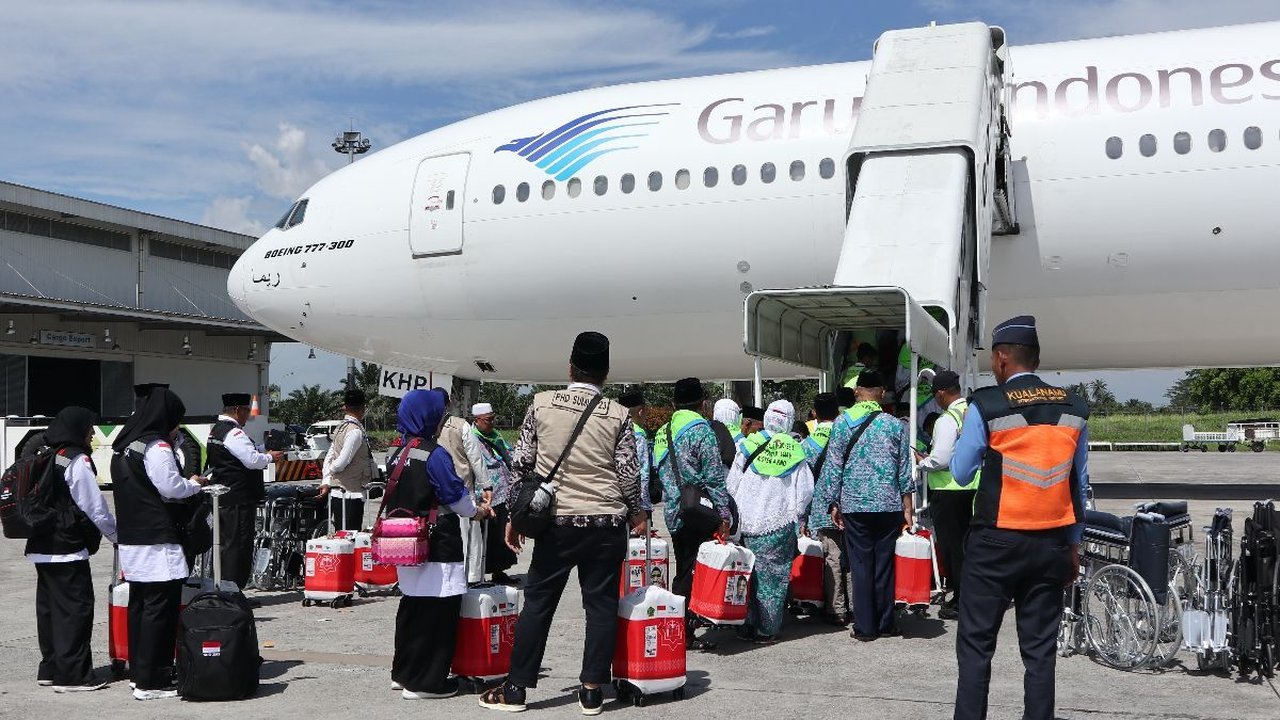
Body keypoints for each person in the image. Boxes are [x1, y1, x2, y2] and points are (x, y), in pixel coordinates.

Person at [479, 332, 646, 716]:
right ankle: (591, 692)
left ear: (570, 368)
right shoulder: (618, 414)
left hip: (556, 524)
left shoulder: (541, 404)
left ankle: (516, 689)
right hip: (606, 524)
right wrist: (636, 511)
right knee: (601, 606)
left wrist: (515, 516)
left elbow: (521, 466)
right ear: (605, 373)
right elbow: (628, 474)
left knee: (538, 603)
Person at [950, 316, 1089, 720]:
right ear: (1036, 359)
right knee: (1040, 651)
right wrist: (1074, 545)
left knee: (976, 647)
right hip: (1052, 542)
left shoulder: (987, 404)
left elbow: (960, 472)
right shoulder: (1075, 408)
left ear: (1001, 358)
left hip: (995, 543)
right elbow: (1079, 483)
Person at [387, 389, 493, 700]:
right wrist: (477, 511)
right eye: (438, 415)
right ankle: (427, 682)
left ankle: (404, 673)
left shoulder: (398, 451)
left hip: (405, 541)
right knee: (439, 609)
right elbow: (455, 498)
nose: (440, 421)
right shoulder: (434, 454)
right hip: (437, 540)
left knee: (412, 607)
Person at [110, 388, 207, 701]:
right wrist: (193, 485)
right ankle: (153, 680)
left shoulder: (124, 447)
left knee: (140, 607)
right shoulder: (157, 446)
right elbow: (171, 487)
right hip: (157, 539)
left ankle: (140, 673)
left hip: (133, 538)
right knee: (160, 610)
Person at [813, 370, 914, 641]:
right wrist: (908, 507)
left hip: (855, 505)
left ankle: (865, 627)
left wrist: (833, 503)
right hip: (888, 505)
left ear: (857, 392)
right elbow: (904, 470)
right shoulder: (895, 425)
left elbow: (833, 467)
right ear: (882, 393)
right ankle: (885, 622)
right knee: (884, 565)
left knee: (860, 565)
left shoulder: (842, 423)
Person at [25, 407, 117, 692]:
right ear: (78, 429)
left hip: (42, 544)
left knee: (50, 610)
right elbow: (94, 507)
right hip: (67, 546)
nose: (93, 434)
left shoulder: (48, 455)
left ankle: (50, 668)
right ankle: (73, 676)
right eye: (90, 428)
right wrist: (116, 535)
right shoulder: (76, 460)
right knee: (75, 611)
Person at [653, 377, 732, 651]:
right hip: (698, 512)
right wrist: (724, 516)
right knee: (691, 573)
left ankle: (681, 627)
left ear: (674, 403)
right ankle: (682, 631)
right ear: (703, 403)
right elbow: (714, 479)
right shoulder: (702, 432)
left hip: (674, 511)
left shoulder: (663, 431)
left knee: (684, 567)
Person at [726, 400, 814, 643]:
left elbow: (732, 484)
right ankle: (766, 629)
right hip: (778, 523)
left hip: (746, 523)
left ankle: (745, 624)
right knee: (772, 580)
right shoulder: (796, 450)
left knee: (747, 575)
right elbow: (805, 491)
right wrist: (798, 514)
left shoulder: (747, 444)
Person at [206, 392, 283, 591]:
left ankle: (223, 588)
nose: (248, 415)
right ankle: (234, 592)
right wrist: (270, 457)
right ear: (237, 410)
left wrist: (262, 447)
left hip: (224, 499)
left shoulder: (217, 430)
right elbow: (252, 460)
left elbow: (240, 453)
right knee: (238, 547)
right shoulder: (234, 433)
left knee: (225, 545)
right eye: (247, 411)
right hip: (238, 499)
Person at [914, 370, 971, 621]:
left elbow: (940, 459)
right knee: (967, 548)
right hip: (972, 488)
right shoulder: (971, 412)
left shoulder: (946, 419)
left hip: (949, 491)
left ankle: (960, 601)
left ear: (940, 393)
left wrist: (921, 461)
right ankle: (969, 596)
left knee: (952, 549)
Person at [800, 392, 851, 626]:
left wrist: (802, 517)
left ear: (815, 414)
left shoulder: (807, 445)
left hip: (821, 508)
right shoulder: (848, 436)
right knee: (852, 558)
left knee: (833, 558)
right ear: (838, 412)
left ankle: (836, 609)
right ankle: (855, 606)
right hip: (850, 503)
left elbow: (804, 485)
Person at [471, 402, 519, 583]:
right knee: (487, 535)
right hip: (485, 495)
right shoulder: (472, 439)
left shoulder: (496, 436)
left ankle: (499, 571)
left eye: (493, 419)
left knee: (501, 533)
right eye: (487, 420)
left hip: (503, 493)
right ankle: (480, 574)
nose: (491, 423)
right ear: (477, 420)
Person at [318, 389, 376, 532]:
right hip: (351, 493)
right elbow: (342, 462)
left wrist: (327, 479)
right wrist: (332, 471)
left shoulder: (340, 427)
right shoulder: (355, 431)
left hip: (339, 492)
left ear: (345, 407)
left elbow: (330, 456)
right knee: (351, 535)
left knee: (341, 534)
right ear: (362, 408)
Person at [617, 391, 655, 512]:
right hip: (636, 503)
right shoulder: (638, 435)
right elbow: (642, 473)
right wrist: (643, 506)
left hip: (617, 499)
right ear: (641, 411)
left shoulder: (615, 430)